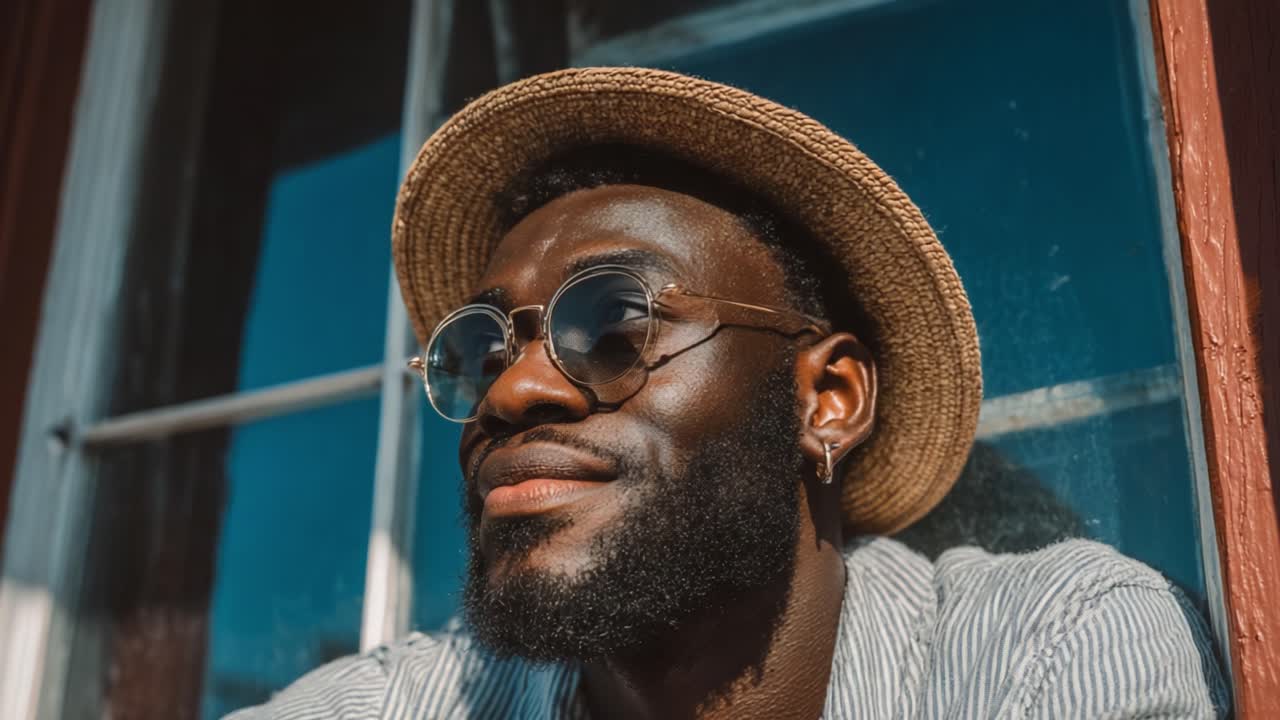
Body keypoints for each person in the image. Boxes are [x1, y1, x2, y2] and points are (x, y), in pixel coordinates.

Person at [229, 68, 1225, 719]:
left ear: (824, 398)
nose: (515, 388)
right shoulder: (397, 704)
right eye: (476, 351)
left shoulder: (1046, 654)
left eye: (611, 322)